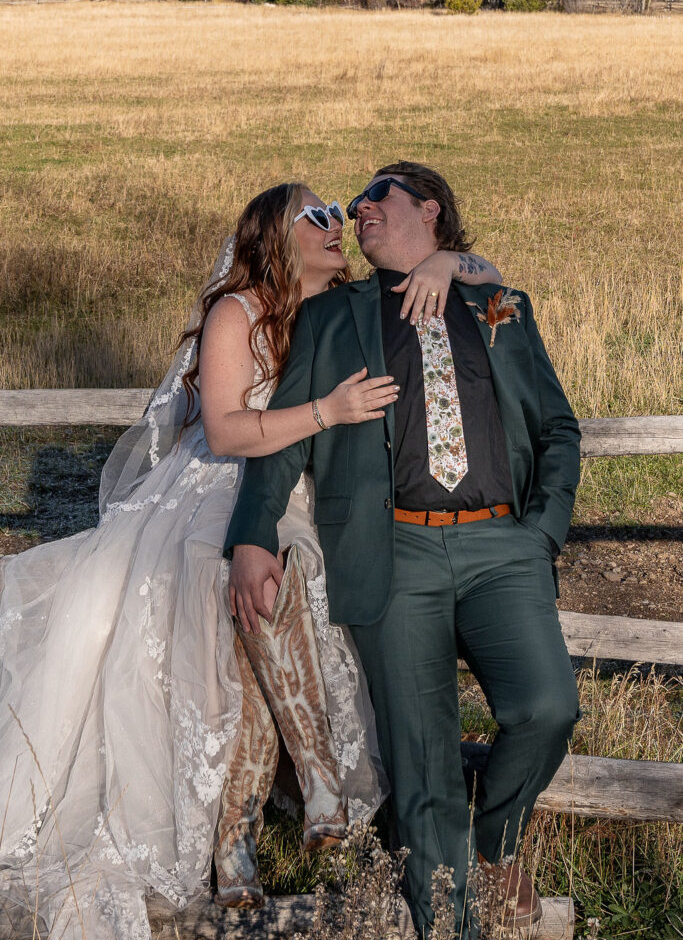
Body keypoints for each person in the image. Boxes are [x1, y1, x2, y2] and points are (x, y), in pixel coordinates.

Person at [0, 179, 502, 940]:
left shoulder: (339, 306)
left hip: (302, 488)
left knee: (276, 579)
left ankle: (240, 835)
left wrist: (444, 263)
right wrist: (327, 412)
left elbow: (491, 277)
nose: (338, 224)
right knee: (242, 583)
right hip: (218, 486)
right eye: (319, 215)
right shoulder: (237, 312)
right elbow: (227, 432)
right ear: (276, 234)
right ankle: (301, 786)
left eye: (337, 214)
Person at [226, 162, 583, 939]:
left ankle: (495, 842)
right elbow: (283, 440)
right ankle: (447, 929)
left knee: (547, 707)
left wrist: (541, 534)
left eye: (376, 195)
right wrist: (251, 537)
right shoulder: (331, 316)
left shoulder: (499, 304)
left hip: (502, 547)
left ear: (429, 210)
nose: (357, 209)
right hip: (392, 553)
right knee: (422, 767)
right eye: (352, 204)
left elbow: (556, 428)